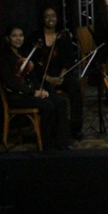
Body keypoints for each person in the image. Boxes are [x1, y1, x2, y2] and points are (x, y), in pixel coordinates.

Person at [0, 25, 71, 150]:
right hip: (17, 96)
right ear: (7, 38)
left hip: (30, 92)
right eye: (14, 36)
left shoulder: (24, 54)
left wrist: (40, 89)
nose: (18, 39)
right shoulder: (5, 58)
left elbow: (33, 76)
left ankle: (62, 143)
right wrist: (33, 92)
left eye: (20, 35)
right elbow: (11, 82)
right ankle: (47, 144)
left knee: (61, 101)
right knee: (48, 105)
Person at [29, 7, 83, 140]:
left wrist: (62, 75)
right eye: (47, 16)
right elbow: (33, 64)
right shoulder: (36, 37)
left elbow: (68, 60)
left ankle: (75, 128)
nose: (50, 19)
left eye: (53, 16)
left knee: (75, 88)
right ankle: (57, 130)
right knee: (52, 94)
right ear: (43, 19)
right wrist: (47, 78)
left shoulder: (63, 36)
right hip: (43, 76)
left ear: (57, 18)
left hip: (61, 73)